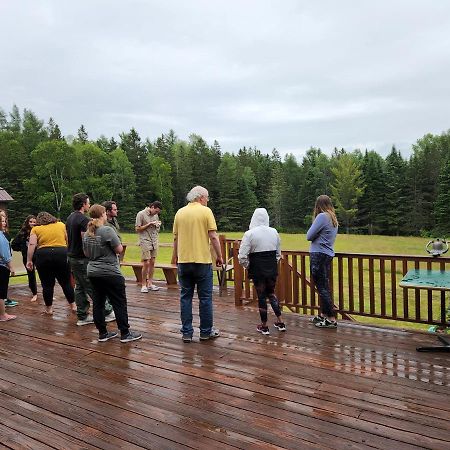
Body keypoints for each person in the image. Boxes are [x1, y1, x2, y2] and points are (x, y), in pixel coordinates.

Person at [82, 204, 142, 343]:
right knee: (119, 302)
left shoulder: (87, 233)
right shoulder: (107, 230)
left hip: (93, 272)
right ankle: (125, 333)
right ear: (103, 214)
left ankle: (103, 333)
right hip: (110, 272)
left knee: (98, 303)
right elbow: (119, 249)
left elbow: (86, 253)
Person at [172, 186, 223, 343]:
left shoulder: (179, 213)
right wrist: (220, 256)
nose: (207, 200)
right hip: (202, 262)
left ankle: (187, 333)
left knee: (185, 297)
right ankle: (205, 332)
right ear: (201, 197)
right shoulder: (206, 212)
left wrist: (175, 257)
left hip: (184, 262)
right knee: (205, 298)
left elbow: (176, 238)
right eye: (207, 197)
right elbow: (213, 237)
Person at [66, 193, 114, 326]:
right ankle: (107, 312)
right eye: (88, 203)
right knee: (92, 286)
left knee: (80, 287)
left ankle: (82, 316)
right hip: (82, 258)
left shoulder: (70, 217)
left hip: (72, 257)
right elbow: (85, 239)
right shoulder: (82, 219)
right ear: (83, 204)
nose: (89, 205)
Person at [238, 208, 285, 335]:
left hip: (257, 271)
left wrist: (249, 266)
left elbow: (242, 256)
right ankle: (280, 321)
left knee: (261, 297)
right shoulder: (274, 232)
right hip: (271, 270)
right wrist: (271, 264)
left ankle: (264, 325)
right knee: (271, 294)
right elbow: (278, 254)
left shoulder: (250, 234)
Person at [26, 212, 76, 315]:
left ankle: (49, 309)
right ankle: (73, 305)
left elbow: (32, 244)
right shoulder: (61, 225)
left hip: (43, 255)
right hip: (61, 253)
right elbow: (68, 240)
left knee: (47, 285)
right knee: (66, 282)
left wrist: (29, 260)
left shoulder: (35, 229)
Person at [306, 195, 339, 328]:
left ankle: (331, 318)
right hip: (327, 255)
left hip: (318, 254)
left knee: (322, 287)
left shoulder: (322, 217)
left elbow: (309, 236)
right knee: (323, 286)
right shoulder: (332, 218)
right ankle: (323, 315)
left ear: (318, 205)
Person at [135, 200, 162, 293]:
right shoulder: (141, 214)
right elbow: (137, 229)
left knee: (153, 262)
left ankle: (150, 283)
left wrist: (157, 225)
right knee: (146, 262)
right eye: (156, 211)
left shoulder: (155, 215)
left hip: (154, 240)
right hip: (145, 240)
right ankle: (143, 284)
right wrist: (149, 224)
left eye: (158, 212)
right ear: (152, 207)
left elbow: (156, 229)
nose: (157, 213)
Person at [11, 215, 38, 302]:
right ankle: (35, 294)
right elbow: (14, 245)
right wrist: (23, 249)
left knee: (43, 274)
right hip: (27, 258)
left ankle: (47, 293)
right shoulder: (22, 233)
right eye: (31, 222)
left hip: (38, 256)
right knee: (31, 276)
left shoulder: (38, 231)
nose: (32, 224)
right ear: (27, 222)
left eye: (34, 222)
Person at [0, 210, 18, 307]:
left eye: (5, 220)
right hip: (2, 265)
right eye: (2, 220)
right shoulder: (1, 236)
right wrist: (11, 266)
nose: (4, 222)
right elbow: (4, 254)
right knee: (1, 290)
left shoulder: (4, 233)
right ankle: (3, 313)